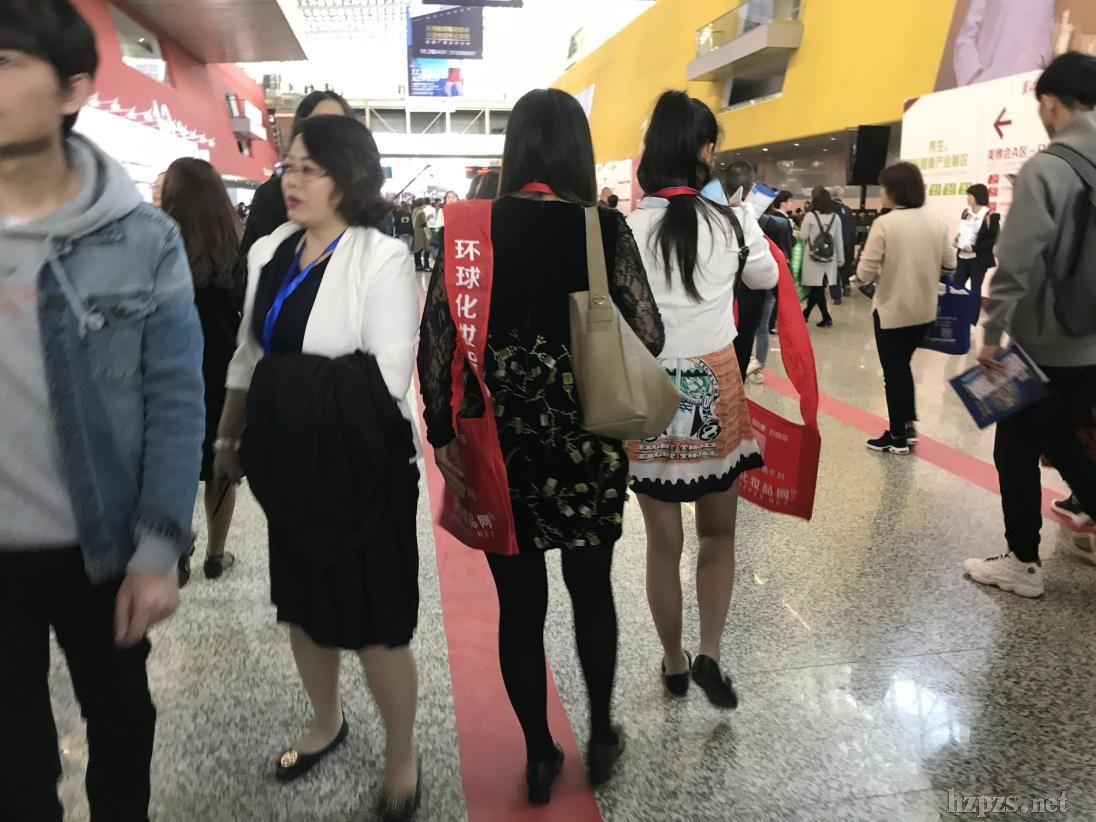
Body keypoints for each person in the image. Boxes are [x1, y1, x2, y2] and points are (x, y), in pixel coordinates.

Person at [419, 88, 665, 805]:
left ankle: (536, 754)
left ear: (516, 149)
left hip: (501, 448)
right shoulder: (602, 228)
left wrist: (440, 432)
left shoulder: (469, 229)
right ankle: (603, 732)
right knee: (593, 593)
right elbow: (648, 334)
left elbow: (437, 340)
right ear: (576, 154)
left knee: (519, 611)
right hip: (586, 442)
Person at [0, 2, 205, 820]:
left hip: (103, 547)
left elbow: (175, 398)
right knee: (14, 772)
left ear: (73, 89)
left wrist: (158, 550)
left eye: (5, 63)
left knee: (121, 727)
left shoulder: (142, 238)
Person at [214, 116, 423, 819]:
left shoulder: (380, 258)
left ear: (351, 177)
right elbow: (250, 354)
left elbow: (386, 377)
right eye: (289, 166)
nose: (292, 180)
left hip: (362, 470)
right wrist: (228, 438)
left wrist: (280, 383)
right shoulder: (271, 249)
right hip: (291, 466)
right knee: (303, 609)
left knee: (374, 624)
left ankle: (402, 754)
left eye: (310, 168)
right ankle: (327, 721)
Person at [626, 91, 776, 711]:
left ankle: (673, 661)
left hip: (650, 390)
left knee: (663, 543)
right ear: (706, 151)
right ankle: (710, 650)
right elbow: (765, 278)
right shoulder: (734, 222)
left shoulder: (626, 228)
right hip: (716, 385)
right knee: (719, 534)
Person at [964, 52, 1096, 598]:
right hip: (1091, 345)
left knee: (1015, 450)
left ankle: (1022, 562)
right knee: (1063, 440)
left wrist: (992, 335)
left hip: (1044, 342)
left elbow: (1017, 262)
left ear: (1050, 102)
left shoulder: (1048, 168)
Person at [160, 158, 243, 580]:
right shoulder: (236, 243)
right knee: (219, 462)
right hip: (224, 369)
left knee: (173, 463)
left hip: (171, 366)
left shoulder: (158, 242)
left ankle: (177, 555)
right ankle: (215, 554)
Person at [856, 162, 957, 455]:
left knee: (894, 372)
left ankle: (897, 436)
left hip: (892, 311)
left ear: (894, 191)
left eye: (883, 188)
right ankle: (908, 426)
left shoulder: (885, 224)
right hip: (924, 311)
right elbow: (950, 264)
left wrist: (860, 278)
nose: (881, 193)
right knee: (903, 367)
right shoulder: (935, 222)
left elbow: (865, 272)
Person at [237, 90, 353, 278]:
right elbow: (245, 274)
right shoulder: (272, 196)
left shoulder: (363, 200)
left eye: (337, 125)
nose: (328, 134)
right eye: (318, 124)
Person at [720, 160, 771, 378]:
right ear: (752, 187)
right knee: (739, 357)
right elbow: (768, 277)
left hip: (714, 310)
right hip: (744, 302)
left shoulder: (707, 214)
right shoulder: (759, 221)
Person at [748, 193, 796, 382]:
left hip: (746, 280)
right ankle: (758, 368)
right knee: (762, 327)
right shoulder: (781, 224)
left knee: (745, 327)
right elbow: (788, 250)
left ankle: (744, 364)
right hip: (770, 278)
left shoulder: (746, 221)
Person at [951, 183, 1001, 326]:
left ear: (978, 196)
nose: (968, 198)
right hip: (962, 256)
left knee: (975, 289)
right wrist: (957, 240)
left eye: (970, 196)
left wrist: (974, 248)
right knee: (957, 286)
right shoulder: (966, 213)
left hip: (978, 259)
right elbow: (962, 231)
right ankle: (955, 314)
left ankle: (972, 320)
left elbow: (991, 240)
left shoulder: (990, 216)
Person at [800, 186, 845, 327]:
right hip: (829, 258)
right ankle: (806, 313)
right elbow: (838, 239)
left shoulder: (810, 216)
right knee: (818, 287)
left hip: (813, 258)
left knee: (816, 287)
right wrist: (841, 258)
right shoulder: (835, 217)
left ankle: (826, 317)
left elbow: (803, 236)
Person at [831, 191, 857, 302]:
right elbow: (853, 228)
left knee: (834, 268)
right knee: (846, 265)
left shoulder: (830, 209)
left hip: (835, 242)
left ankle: (836, 295)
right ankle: (846, 284)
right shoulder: (848, 209)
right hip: (848, 243)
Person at [412, 198, 430, 271]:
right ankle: (426, 266)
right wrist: (427, 234)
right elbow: (424, 224)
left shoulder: (414, 211)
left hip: (416, 232)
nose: (425, 205)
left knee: (417, 250)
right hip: (421, 233)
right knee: (427, 249)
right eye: (424, 203)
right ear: (422, 204)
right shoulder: (421, 212)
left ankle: (418, 265)